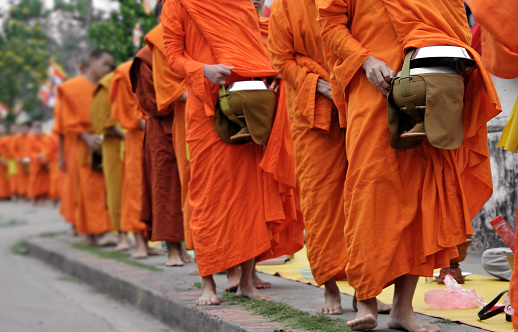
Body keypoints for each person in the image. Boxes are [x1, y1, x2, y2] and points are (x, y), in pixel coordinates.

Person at [316, 0, 500, 330]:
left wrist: (459, 61)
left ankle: (403, 309)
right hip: (373, 87)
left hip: (431, 85)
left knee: (421, 197)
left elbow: (456, 21)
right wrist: (366, 61)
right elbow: (330, 25)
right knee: (369, 191)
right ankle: (366, 300)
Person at [162, 0, 301, 305]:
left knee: (250, 194)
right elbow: (173, 56)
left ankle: (247, 282)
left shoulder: (240, 3)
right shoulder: (179, 3)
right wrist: (203, 69)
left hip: (247, 106)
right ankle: (208, 283)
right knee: (207, 196)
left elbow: (253, 49)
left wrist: (271, 74)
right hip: (205, 109)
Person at [268, 0, 391, 315]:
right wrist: (316, 84)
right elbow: (280, 58)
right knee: (320, 201)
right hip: (312, 114)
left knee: (364, 197)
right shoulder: (284, 7)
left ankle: (365, 289)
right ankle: (330, 290)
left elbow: (364, 34)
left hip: (357, 97)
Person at [131, 5, 191, 266]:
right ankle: (173, 249)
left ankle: (188, 246)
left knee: (189, 186)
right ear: (160, 17)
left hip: (192, 122)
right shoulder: (148, 53)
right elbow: (149, 100)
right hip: (162, 127)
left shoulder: (188, 41)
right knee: (166, 187)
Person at [53, 49, 114, 245]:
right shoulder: (70, 88)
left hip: (107, 138)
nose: (107, 69)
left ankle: (102, 230)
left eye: (109, 66)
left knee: (108, 187)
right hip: (83, 142)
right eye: (104, 64)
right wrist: (86, 137)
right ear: (93, 61)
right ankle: (99, 231)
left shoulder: (107, 85)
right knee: (90, 188)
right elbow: (66, 120)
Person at [91, 71, 130, 251]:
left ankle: (140, 237)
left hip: (134, 143)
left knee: (136, 189)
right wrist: (126, 137)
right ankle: (120, 234)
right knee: (116, 190)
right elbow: (105, 120)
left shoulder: (133, 79)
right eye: (104, 64)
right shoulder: (106, 85)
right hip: (115, 145)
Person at [27, 121, 50, 206]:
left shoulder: (45, 138)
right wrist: (37, 156)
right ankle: (33, 199)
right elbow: (30, 152)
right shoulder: (31, 139)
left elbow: (47, 148)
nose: (37, 131)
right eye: (35, 129)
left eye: (38, 129)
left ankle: (42, 199)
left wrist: (43, 155)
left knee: (44, 182)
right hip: (35, 164)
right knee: (34, 182)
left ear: (41, 130)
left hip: (43, 163)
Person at [0, 124, 11, 200]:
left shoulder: (8, 138)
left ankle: (8, 194)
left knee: (8, 178)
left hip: (7, 159)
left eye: (2, 128)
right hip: (1, 160)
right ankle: (2, 195)